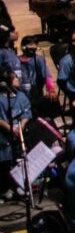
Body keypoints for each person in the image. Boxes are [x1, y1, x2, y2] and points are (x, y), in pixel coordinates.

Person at [0, 67, 32, 200]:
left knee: (18, 160)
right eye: (14, 78)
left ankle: (19, 185)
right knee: (4, 164)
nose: (18, 79)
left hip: (19, 134)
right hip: (4, 136)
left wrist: (21, 126)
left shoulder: (21, 96)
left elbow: (27, 113)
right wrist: (11, 129)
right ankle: (4, 188)